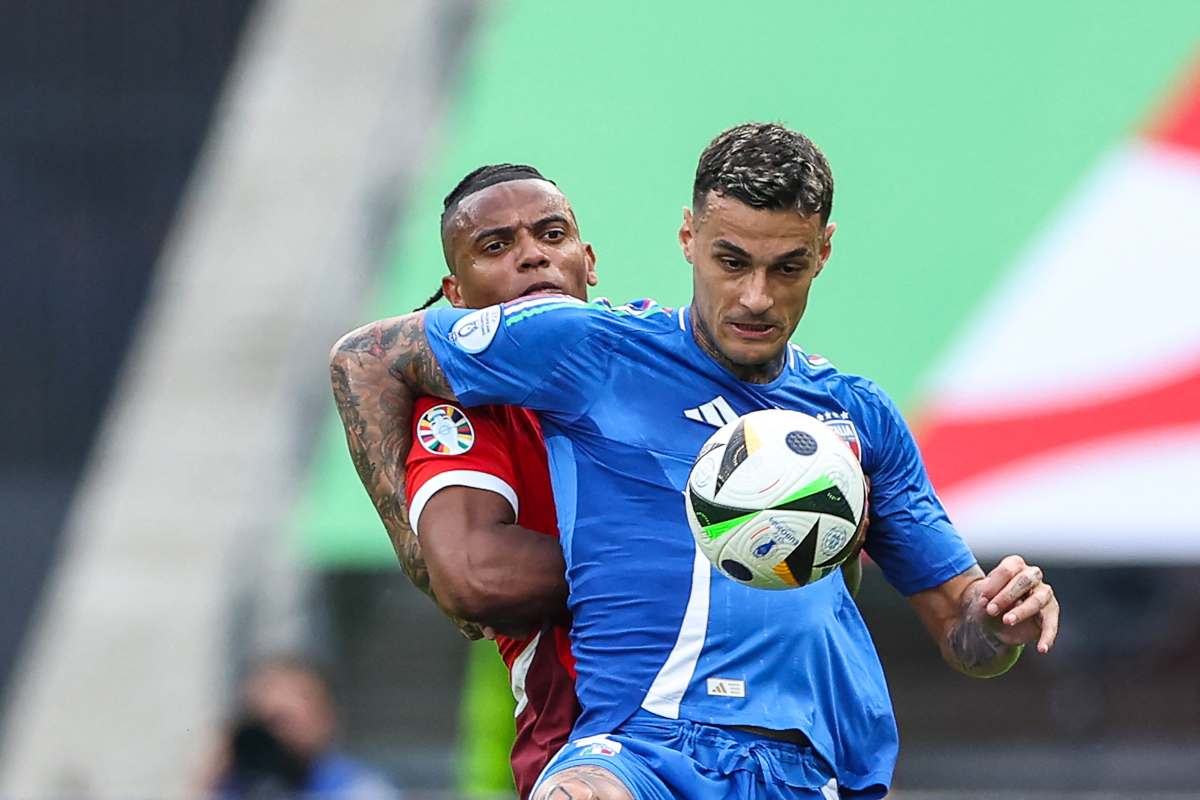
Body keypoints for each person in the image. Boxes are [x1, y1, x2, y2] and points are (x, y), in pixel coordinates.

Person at [330, 123, 1060, 800]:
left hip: (815, 767)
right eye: (731, 261)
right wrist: (418, 554)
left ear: (824, 252)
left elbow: (966, 637)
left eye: (787, 267)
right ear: (687, 236)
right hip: (640, 749)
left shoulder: (858, 417)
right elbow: (365, 358)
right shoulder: (592, 348)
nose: (755, 296)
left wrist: (998, 622)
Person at [332, 164, 596, 798]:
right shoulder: (464, 412)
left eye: (551, 234)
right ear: (456, 295)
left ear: (588, 260)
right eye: (496, 246)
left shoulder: (662, 358)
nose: (532, 255)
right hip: (583, 752)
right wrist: (690, 556)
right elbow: (475, 575)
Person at [206, 658, 403, 800]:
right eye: (262, 722)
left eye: (284, 721)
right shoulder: (232, 786)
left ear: (327, 719)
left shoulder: (361, 791)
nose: (274, 736)